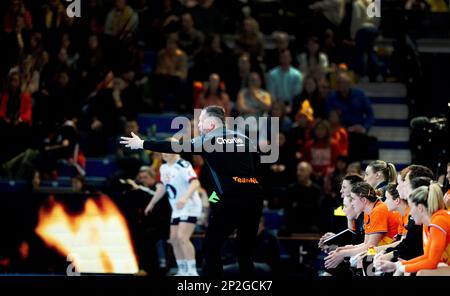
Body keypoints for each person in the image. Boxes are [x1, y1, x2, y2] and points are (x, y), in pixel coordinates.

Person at [120, 105, 264, 277]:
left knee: (211, 248)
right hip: (254, 197)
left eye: (202, 121)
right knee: (245, 254)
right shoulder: (245, 139)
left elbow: (173, 147)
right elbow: (256, 166)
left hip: (231, 198)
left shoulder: (207, 140)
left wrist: (142, 143)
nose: (200, 126)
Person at [144, 152, 202, 276]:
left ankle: (192, 271)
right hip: (177, 208)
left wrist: (185, 198)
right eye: (162, 151)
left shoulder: (183, 164)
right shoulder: (163, 167)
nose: (163, 154)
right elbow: (162, 188)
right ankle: (183, 270)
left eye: (167, 151)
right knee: (174, 239)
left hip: (190, 205)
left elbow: (195, 183)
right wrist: (151, 203)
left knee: (182, 237)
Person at [375, 183, 450, 276]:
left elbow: (432, 261)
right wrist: (398, 265)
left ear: (420, 208)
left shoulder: (438, 221)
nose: (410, 212)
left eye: (411, 207)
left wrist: (401, 267)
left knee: (422, 273)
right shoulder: (428, 224)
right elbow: (427, 256)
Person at [324, 182, 400, 269]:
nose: (351, 203)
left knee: (363, 259)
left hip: (392, 247)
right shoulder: (368, 212)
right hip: (381, 248)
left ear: (364, 200)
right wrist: (346, 249)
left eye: (353, 199)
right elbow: (366, 243)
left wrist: (344, 253)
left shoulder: (378, 210)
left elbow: (371, 246)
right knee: (357, 258)